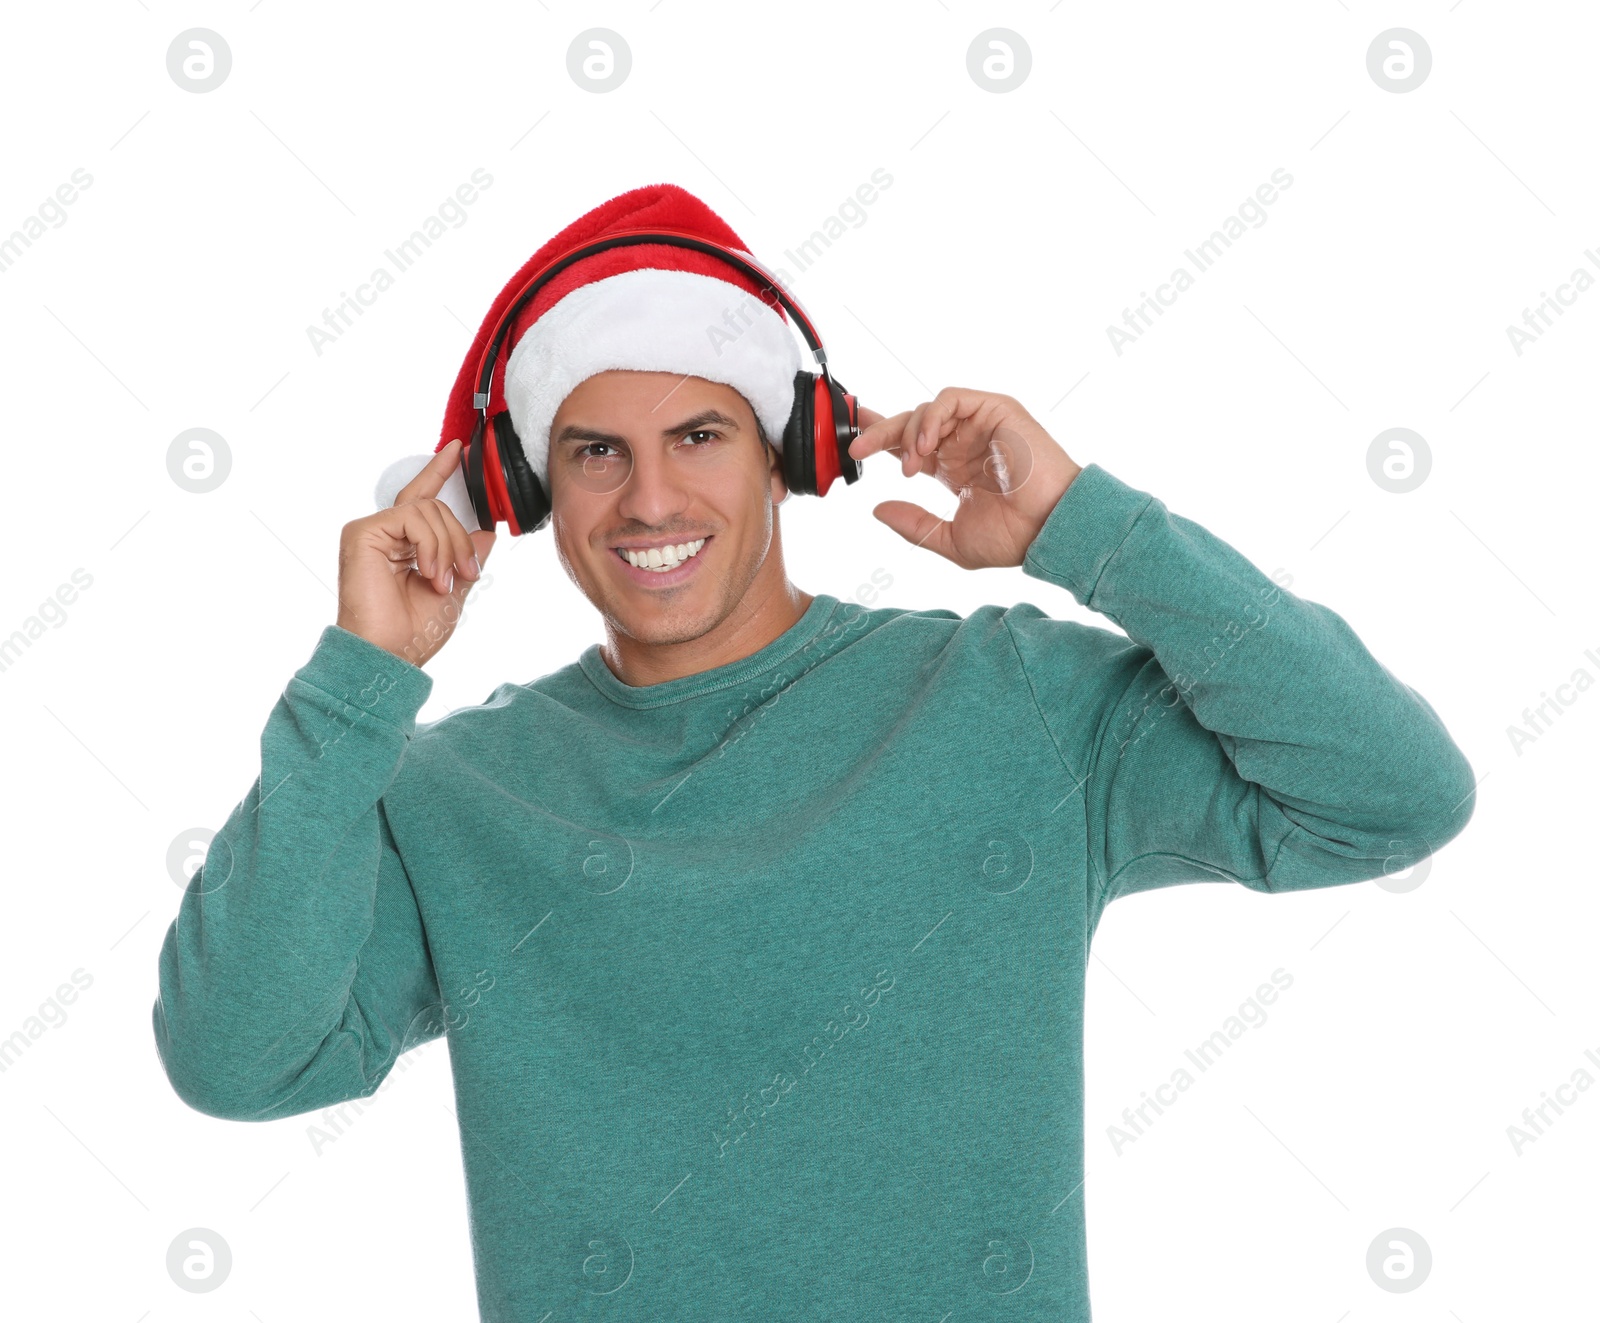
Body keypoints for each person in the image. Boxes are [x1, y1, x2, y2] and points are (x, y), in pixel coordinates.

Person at [153, 184, 1477, 1322]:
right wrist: (362, 680)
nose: (653, 500)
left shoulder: (1002, 698)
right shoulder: (451, 792)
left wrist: (1088, 526)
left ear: (788, 454)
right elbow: (237, 1058)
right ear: (524, 492)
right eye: (595, 453)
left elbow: (1392, 795)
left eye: (701, 436)